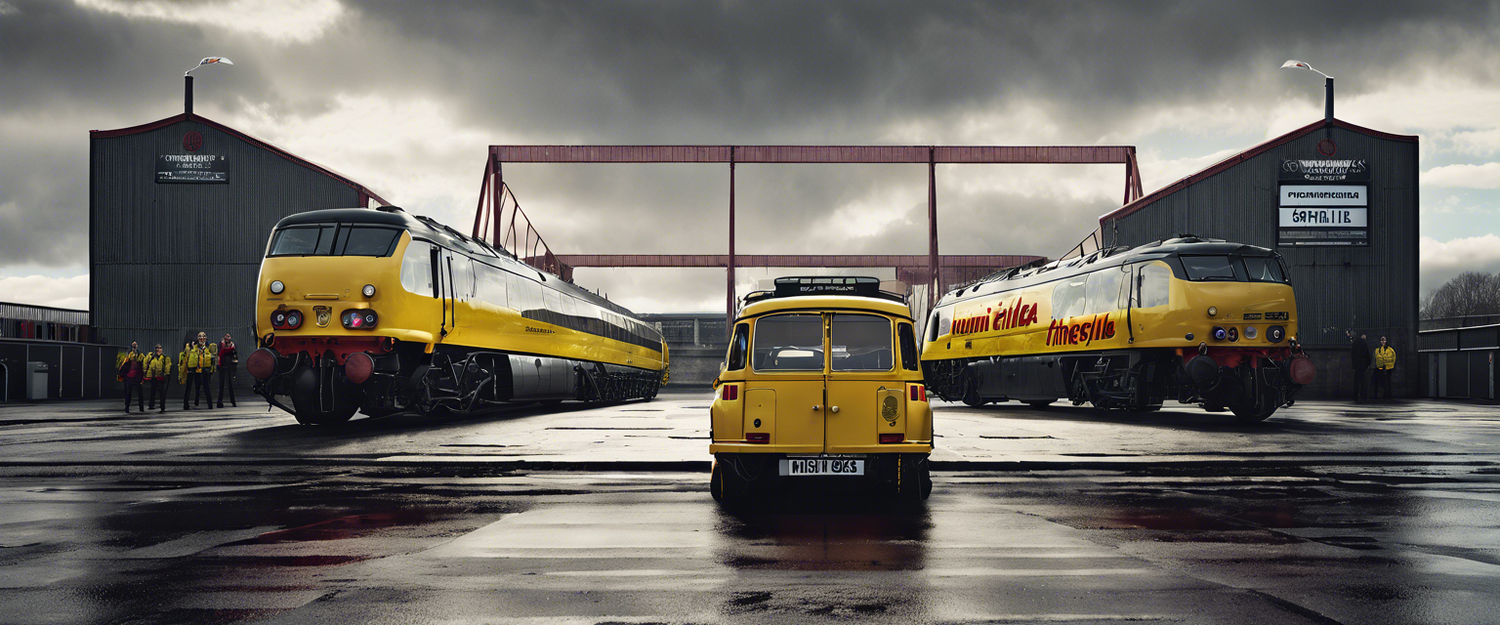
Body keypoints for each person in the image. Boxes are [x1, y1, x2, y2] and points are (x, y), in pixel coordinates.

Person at [182, 332, 218, 409]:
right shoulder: (192, 347)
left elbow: (213, 359)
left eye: (203, 336)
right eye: (200, 337)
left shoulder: (209, 348)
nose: (202, 338)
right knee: (189, 387)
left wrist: (212, 369)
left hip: (205, 369)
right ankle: (186, 404)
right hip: (193, 369)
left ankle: (210, 405)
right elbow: (186, 358)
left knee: (206, 387)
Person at [143, 344, 173, 413]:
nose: (158, 350)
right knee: (152, 391)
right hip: (154, 377)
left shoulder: (165, 358)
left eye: (159, 348)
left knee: (162, 392)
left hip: (162, 377)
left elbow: (168, 366)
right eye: (157, 348)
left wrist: (165, 374)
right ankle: (151, 404)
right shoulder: (151, 358)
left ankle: (162, 406)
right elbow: (146, 364)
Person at [118, 342, 145, 412]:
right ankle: (128, 407)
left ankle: (139, 407)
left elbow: (143, 365)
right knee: (128, 393)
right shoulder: (128, 358)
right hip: (130, 378)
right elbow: (122, 368)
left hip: (136, 378)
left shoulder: (139, 356)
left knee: (137, 393)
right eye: (133, 345)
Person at [1349, 330, 1372, 402]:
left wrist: (1354, 363)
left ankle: (1355, 395)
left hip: (1356, 364)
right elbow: (1366, 354)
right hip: (1362, 363)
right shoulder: (1363, 343)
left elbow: (1352, 354)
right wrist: (1368, 363)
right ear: (1362, 335)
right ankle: (1363, 395)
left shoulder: (1355, 343)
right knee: (1363, 380)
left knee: (1356, 380)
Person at [217, 333, 239, 408]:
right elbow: (222, 352)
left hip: (229, 366)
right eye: (226, 336)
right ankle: (220, 401)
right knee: (222, 385)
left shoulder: (232, 346)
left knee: (230, 385)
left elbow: (235, 356)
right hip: (222, 366)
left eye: (228, 336)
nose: (227, 338)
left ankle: (232, 401)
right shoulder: (222, 345)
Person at [1373, 336, 1396, 401]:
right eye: (1382, 340)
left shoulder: (1390, 350)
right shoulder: (1378, 349)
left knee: (1387, 382)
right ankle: (1384, 394)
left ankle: (1387, 394)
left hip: (1388, 368)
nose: (1383, 342)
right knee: (1382, 381)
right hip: (1380, 368)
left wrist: (1391, 365)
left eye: (1384, 340)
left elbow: (1393, 358)